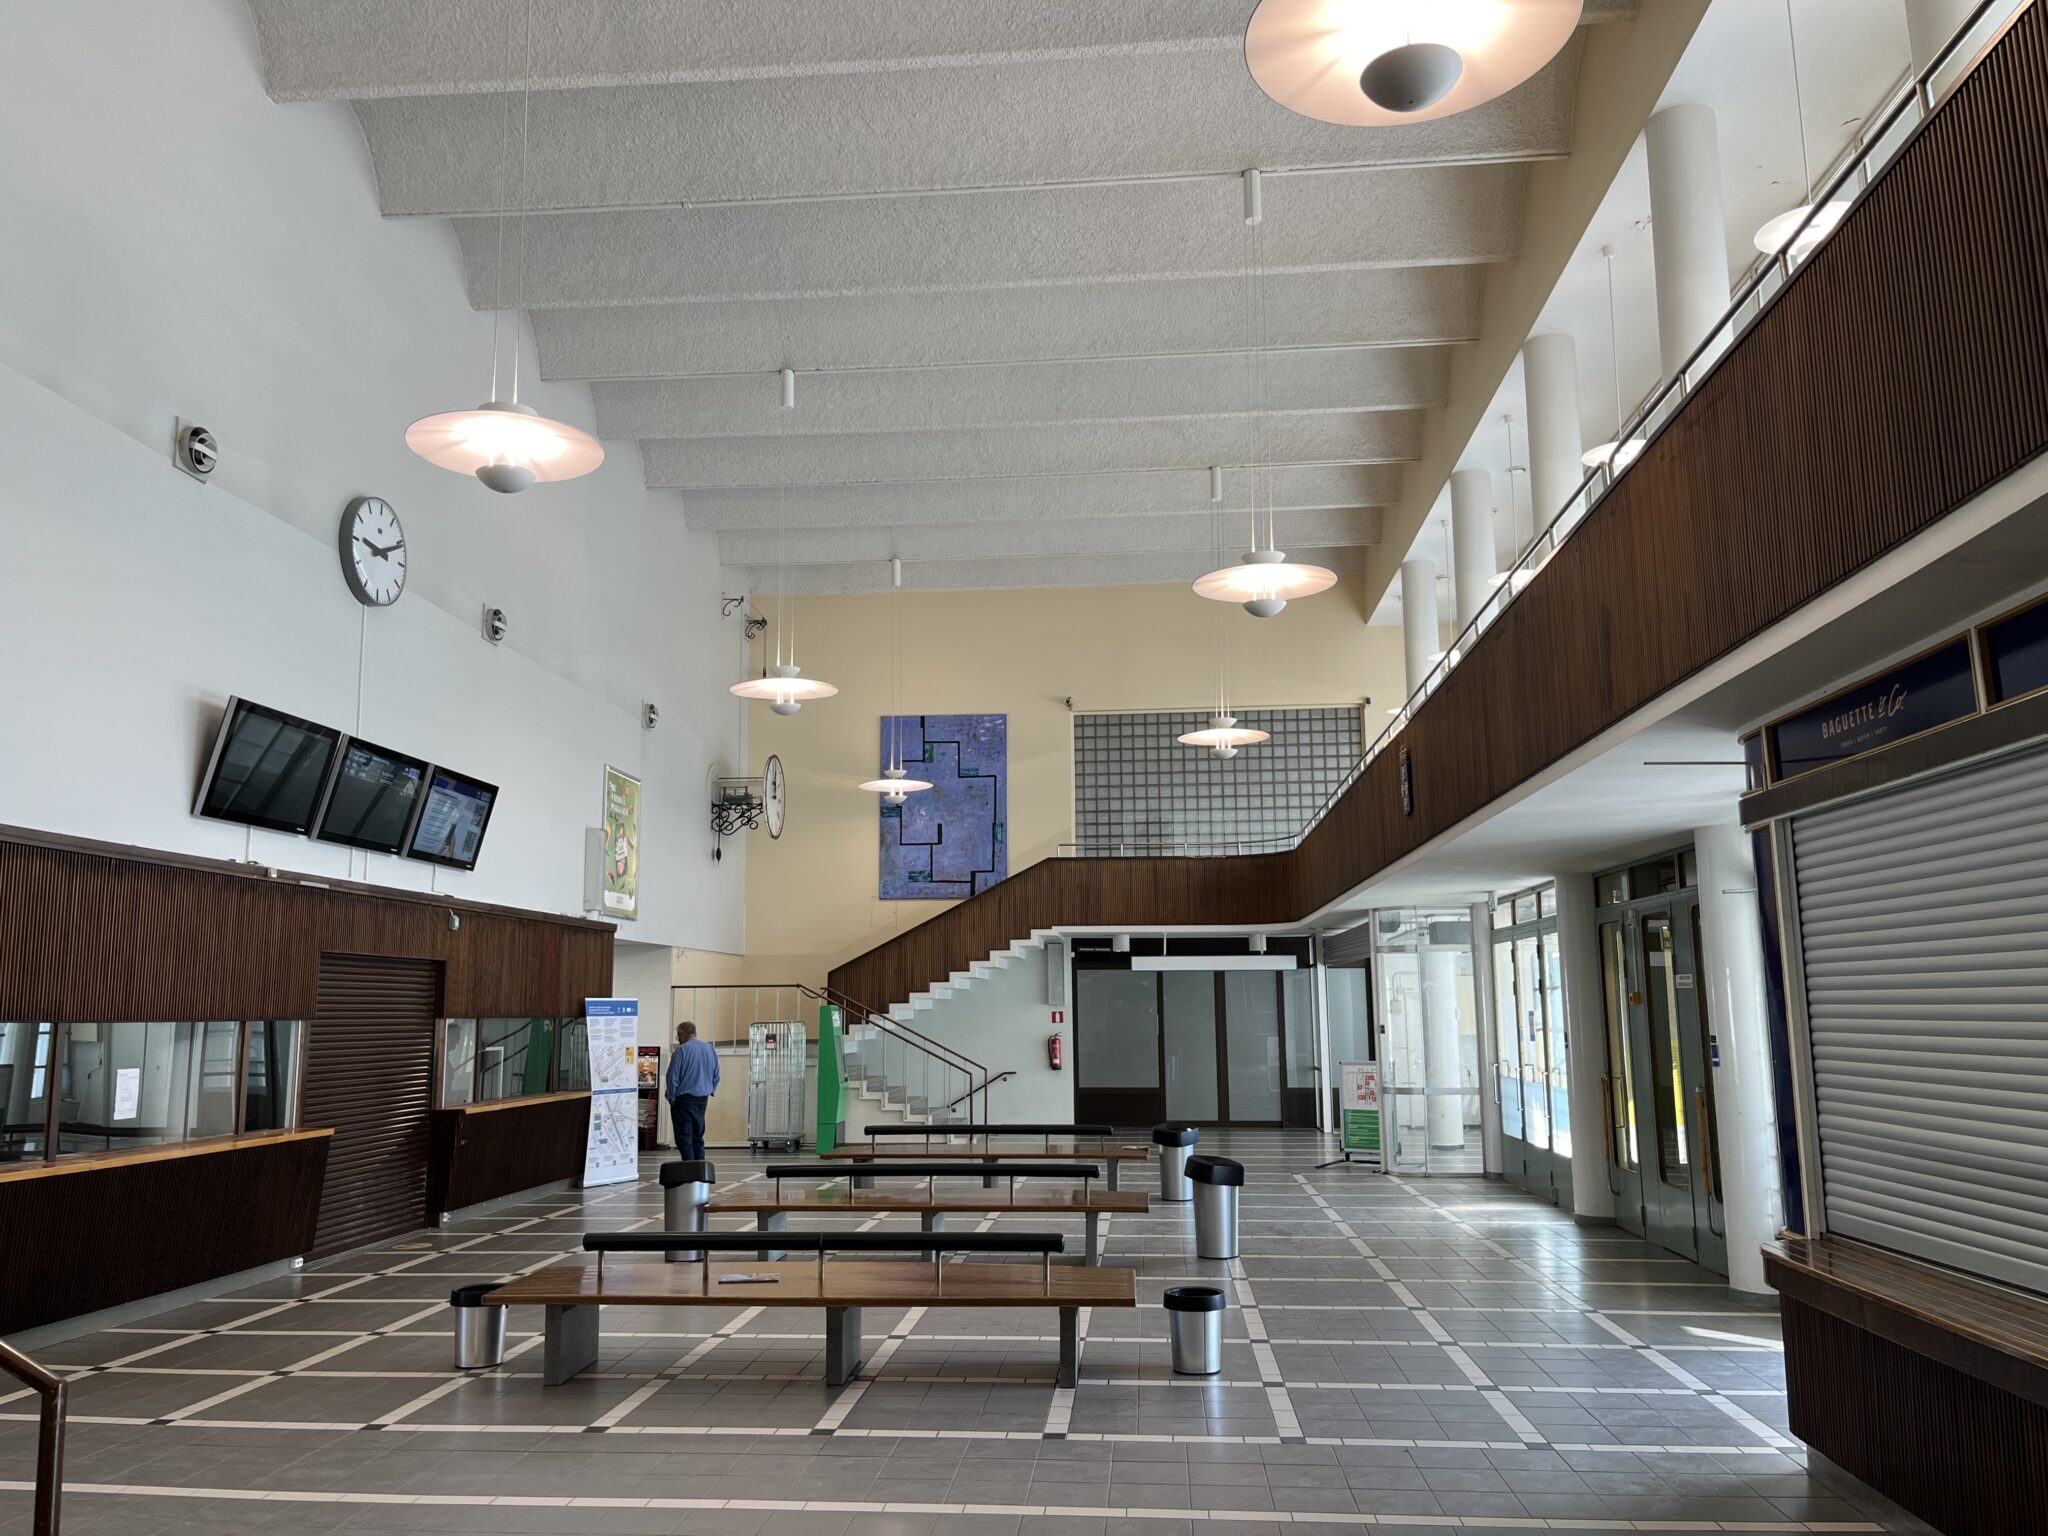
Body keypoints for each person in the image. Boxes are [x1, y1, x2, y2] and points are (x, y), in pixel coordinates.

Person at [665, 1021, 720, 1161]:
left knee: (684, 1138)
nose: (678, 1040)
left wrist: (671, 1097)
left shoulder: (681, 1051)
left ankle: (689, 1168)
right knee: (698, 1137)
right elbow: (716, 1074)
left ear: (682, 1034)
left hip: (683, 1100)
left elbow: (672, 1077)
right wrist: (711, 1090)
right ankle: (700, 1169)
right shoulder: (709, 1048)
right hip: (702, 1100)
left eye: (678, 1037)